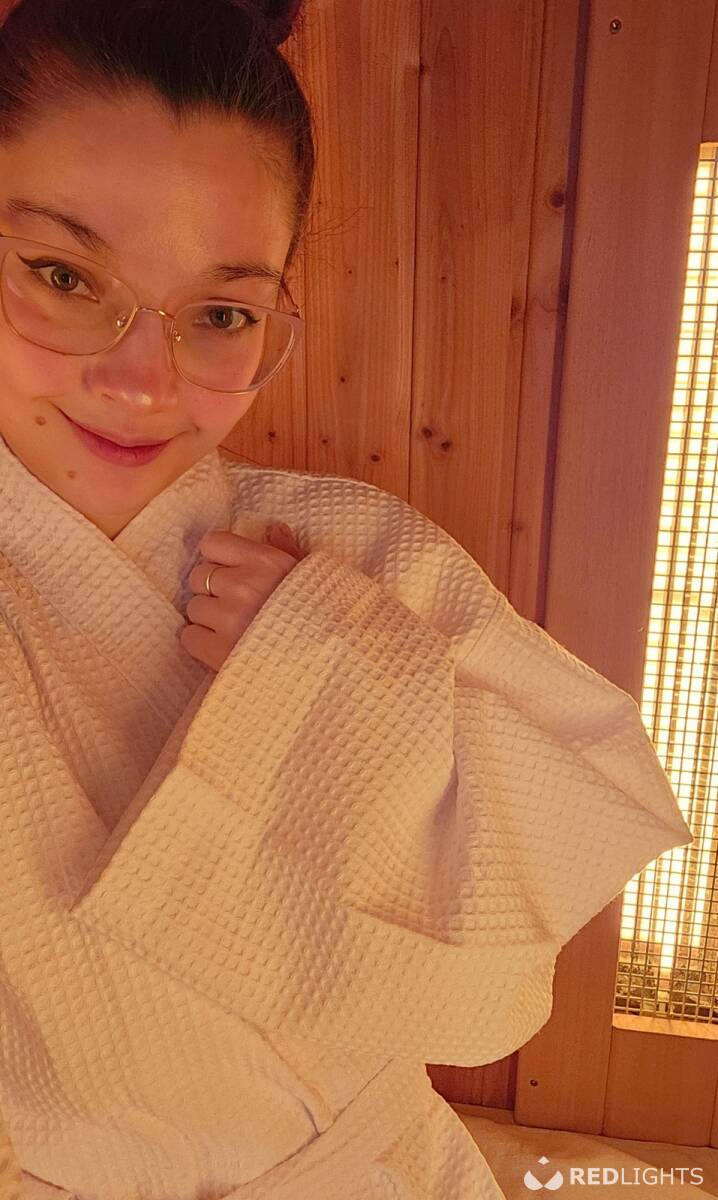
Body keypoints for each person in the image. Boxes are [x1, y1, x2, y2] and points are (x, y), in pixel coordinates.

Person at [0, 1, 693, 1198]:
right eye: (63, 276)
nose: (143, 381)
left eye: (222, 314)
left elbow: (572, 822)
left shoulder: (351, 557)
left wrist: (333, 665)